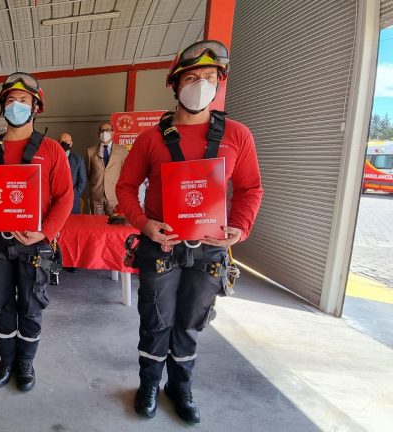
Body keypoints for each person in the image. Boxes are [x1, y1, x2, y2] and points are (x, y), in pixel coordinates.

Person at [116, 40, 263, 424]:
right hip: (161, 248)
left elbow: (250, 189)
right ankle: (149, 383)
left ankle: (179, 385)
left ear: (220, 83)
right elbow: (125, 188)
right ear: (176, 85)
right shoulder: (151, 139)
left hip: (210, 251)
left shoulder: (238, 135)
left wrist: (240, 228)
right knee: (156, 320)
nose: (200, 84)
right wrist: (146, 224)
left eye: (209, 78)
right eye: (192, 77)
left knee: (190, 322)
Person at [0, 72, 73, 392]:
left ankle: (26, 362)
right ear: (2, 107)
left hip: (35, 244)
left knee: (31, 304)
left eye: (23, 101)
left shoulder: (52, 150)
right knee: (0, 304)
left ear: (36, 107)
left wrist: (46, 233)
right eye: (11, 101)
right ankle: (6, 359)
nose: (16, 106)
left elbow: (65, 197)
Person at [86, 121, 127, 216]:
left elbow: (126, 172)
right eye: (102, 130)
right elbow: (89, 173)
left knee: (114, 225)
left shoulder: (122, 150)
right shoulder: (90, 151)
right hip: (96, 194)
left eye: (108, 130)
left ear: (113, 133)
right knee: (96, 225)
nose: (105, 133)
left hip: (114, 195)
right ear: (98, 134)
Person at [58, 132, 87, 214]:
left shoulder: (78, 159)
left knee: (73, 224)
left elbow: (82, 181)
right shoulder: (52, 158)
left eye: (66, 141)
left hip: (73, 200)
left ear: (71, 144)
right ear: (57, 142)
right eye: (61, 141)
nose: (63, 143)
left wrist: (71, 195)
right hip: (55, 200)